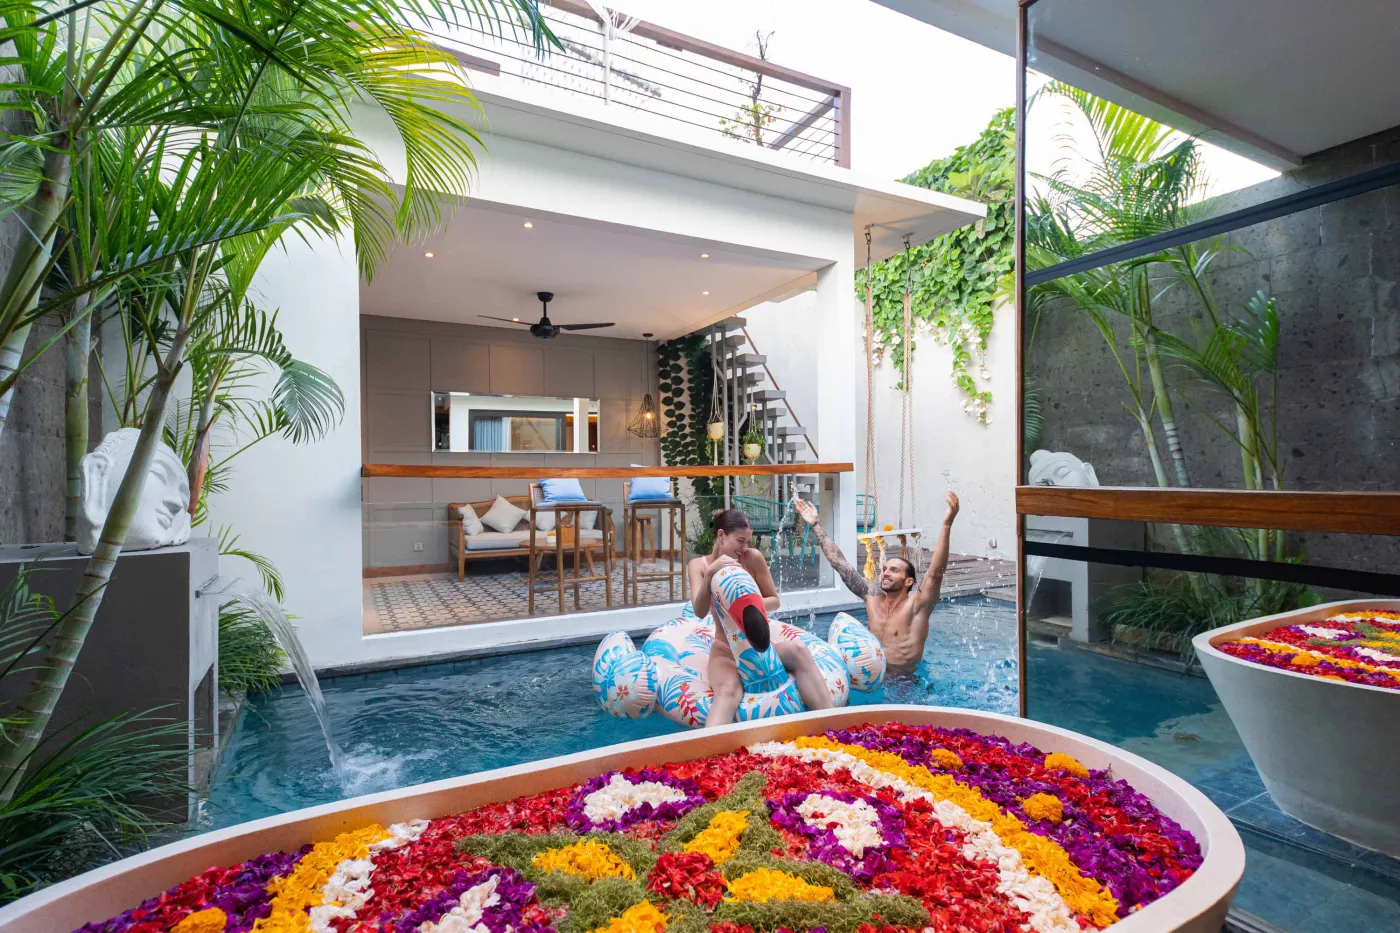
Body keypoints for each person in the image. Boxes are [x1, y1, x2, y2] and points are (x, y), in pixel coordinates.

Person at [688, 508, 834, 727]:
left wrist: (744, 603)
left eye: (747, 541)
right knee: (728, 691)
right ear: (721, 535)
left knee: (799, 651)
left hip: (759, 647)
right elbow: (699, 611)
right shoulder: (699, 566)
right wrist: (710, 575)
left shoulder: (752, 558)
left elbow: (774, 599)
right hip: (725, 651)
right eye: (740, 541)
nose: (744, 548)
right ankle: (710, 755)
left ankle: (833, 723)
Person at [794, 491, 960, 671]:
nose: (886, 573)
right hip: (872, 678)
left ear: (908, 581)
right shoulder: (872, 597)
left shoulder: (917, 607)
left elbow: (935, 574)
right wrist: (816, 524)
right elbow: (838, 563)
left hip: (904, 683)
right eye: (885, 569)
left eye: (894, 570)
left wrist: (947, 524)